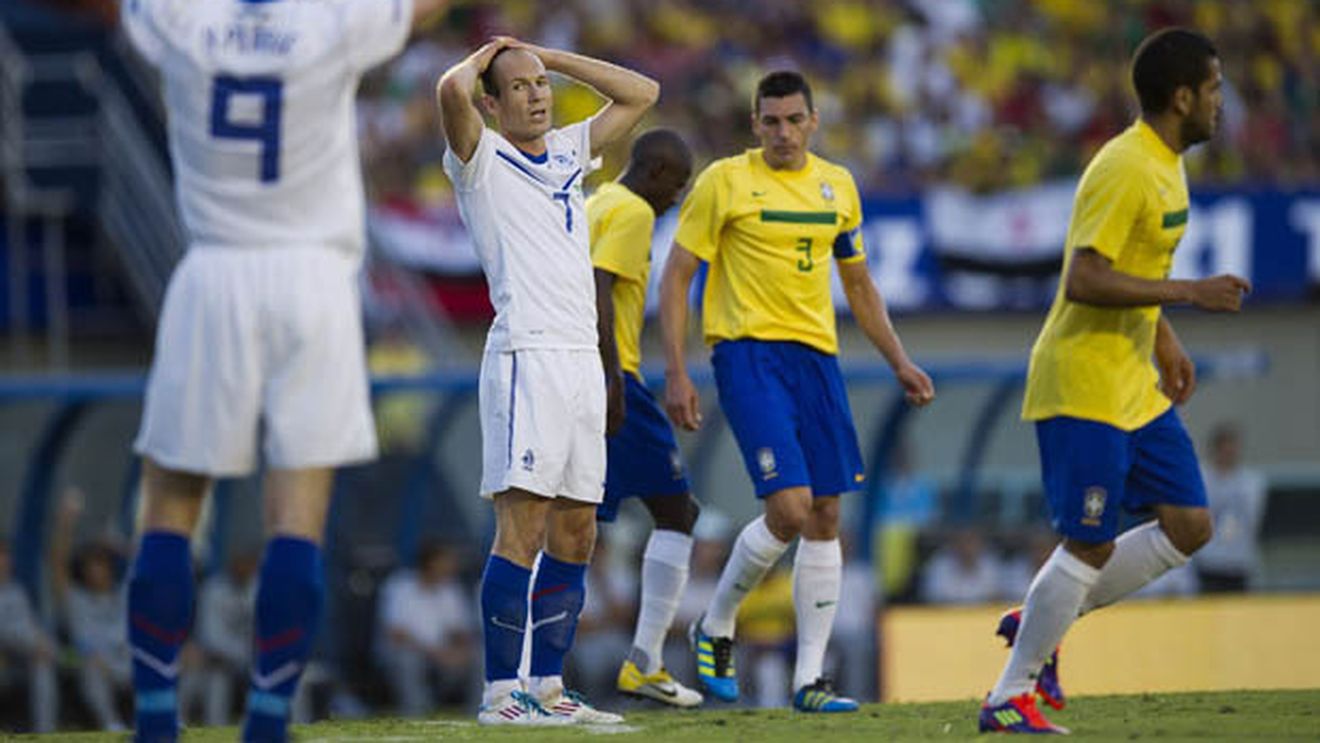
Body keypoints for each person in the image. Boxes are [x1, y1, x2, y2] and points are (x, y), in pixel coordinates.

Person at [119, 1, 450, 740]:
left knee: (170, 508)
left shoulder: (181, 17)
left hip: (213, 270)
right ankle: (268, 719)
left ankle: (155, 717)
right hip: (314, 277)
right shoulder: (330, 20)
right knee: (297, 519)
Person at [980, 28, 1250, 734]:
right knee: (1091, 542)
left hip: (1132, 380)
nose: (1221, 101)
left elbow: (1137, 268)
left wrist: (1166, 340)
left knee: (1190, 525)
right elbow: (1085, 277)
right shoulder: (1126, 166)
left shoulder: (1169, 165)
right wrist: (1190, 293)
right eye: (1214, 88)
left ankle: (1042, 616)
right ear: (1182, 97)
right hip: (1084, 380)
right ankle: (1008, 696)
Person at [658, 70, 935, 713]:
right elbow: (676, 277)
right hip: (747, 354)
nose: (782, 132)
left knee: (826, 514)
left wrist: (899, 360)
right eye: (771, 121)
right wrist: (676, 370)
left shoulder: (838, 187)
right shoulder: (725, 182)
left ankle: (809, 680)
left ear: (813, 121)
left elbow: (859, 285)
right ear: (755, 124)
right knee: (789, 508)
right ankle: (716, 623)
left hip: (817, 358)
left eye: (793, 120)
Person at [435, 36, 658, 725]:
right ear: (492, 104)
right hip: (526, 355)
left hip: (580, 358)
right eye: (519, 87)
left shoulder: (566, 149)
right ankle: (502, 694)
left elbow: (642, 93)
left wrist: (551, 59)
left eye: (540, 85)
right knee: (522, 527)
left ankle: (550, 688)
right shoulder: (479, 159)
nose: (536, 95)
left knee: (578, 530)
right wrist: (488, 55)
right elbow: (449, 90)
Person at [586, 129, 703, 708]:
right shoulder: (632, 212)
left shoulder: (599, 199)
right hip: (617, 379)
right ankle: (645, 661)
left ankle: (527, 675)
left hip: (581, 375)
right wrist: (612, 378)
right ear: (655, 173)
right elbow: (598, 287)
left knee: (570, 525)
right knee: (678, 511)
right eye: (677, 186)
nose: (676, 199)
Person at [51, 490, 131, 732]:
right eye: (89, 565)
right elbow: (57, 565)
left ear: (110, 568)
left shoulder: (123, 594)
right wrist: (65, 524)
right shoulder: (77, 599)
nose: (94, 570)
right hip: (89, 661)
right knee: (90, 663)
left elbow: (150, 567)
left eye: (100, 564)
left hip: (126, 662)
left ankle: (164, 721)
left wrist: (119, 546)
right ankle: (111, 725)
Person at [374, 542, 477, 716]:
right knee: (407, 659)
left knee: (478, 655)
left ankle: (476, 712)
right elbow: (397, 634)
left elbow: (459, 630)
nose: (452, 566)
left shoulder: (450, 588)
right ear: (430, 563)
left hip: (441, 654)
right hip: (406, 651)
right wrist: (437, 653)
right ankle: (416, 714)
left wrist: (461, 650)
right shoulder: (400, 585)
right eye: (445, 562)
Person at [1193, 423, 1268, 592]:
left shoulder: (1251, 482)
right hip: (1208, 560)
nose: (1228, 453)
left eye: (1232, 449)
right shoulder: (1201, 479)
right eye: (1224, 449)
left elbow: (1254, 519)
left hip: (1239, 561)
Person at [0, 542, 59, 733]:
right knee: (40, 650)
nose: (3, 562)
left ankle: (45, 732)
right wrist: (35, 644)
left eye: (5, 556)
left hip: (24, 655)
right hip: (6, 654)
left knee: (43, 665)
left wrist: (41, 640)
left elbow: (30, 623)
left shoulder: (17, 590)